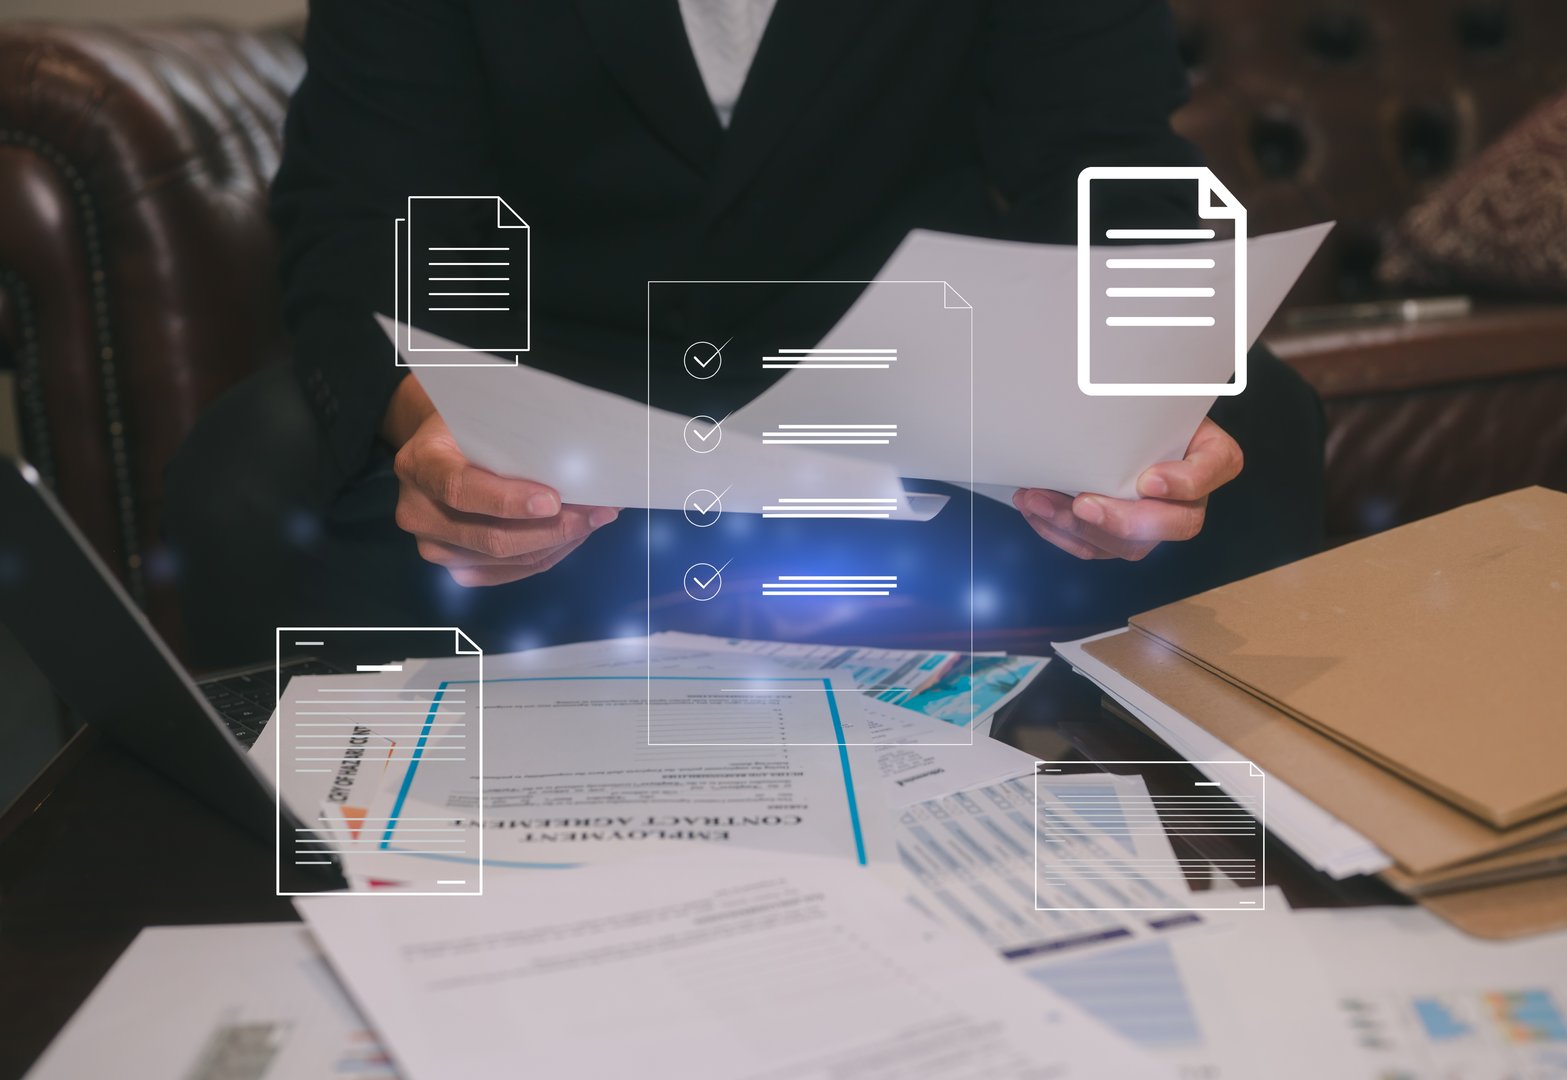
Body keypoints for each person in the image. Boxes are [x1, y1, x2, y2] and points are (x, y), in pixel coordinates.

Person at [166, 0, 1323, 668]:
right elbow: (378, 201)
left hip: (903, 381)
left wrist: (1150, 416)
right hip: (563, 383)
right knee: (250, 476)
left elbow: (1111, 166)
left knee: (1250, 432)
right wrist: (435, 426)